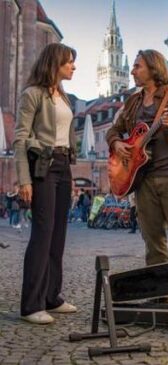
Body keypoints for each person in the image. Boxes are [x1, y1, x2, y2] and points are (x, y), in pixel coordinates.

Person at [106, 49, 168, 304]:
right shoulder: (133, 102)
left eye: (137, 66)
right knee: (153, 240)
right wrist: (116, 143)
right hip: (142, 180)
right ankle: (161, 296)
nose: (133, 71)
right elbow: (115, 128)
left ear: (153, 68)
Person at [13, 43, 78, 324]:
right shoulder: (33, 94)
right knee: (43, 233)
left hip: (63, 167)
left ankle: (52, 297)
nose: (73, 66)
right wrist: (24, 180)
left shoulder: (63, 96)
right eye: (69, 62)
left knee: (59, 234)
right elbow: (20, 139)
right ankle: (31, 305)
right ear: (55, 63)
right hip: (43, 167)